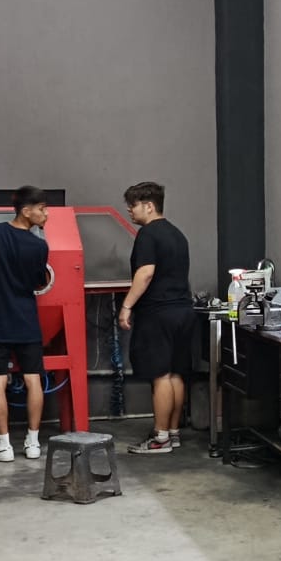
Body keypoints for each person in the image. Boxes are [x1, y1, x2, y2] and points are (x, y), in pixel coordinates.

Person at [0, 186, 53, 462]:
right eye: (42, 209)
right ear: (26, 211)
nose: (46, 214)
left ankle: (3, 446)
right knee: (33, 378)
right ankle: (33, 443)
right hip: (26, 320)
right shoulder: (39, 246)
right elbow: (39, 282)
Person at [120, 181, 198, 454]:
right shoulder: (177, 234)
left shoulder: (148, 234)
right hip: (183, 311)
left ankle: (160, 438)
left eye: (133, 205)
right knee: (176, 373)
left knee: (160, 375)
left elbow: (145, 273)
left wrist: (126, 306)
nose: (130, 210)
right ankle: (173, 433)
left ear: (149, 206)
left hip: (158, 313)